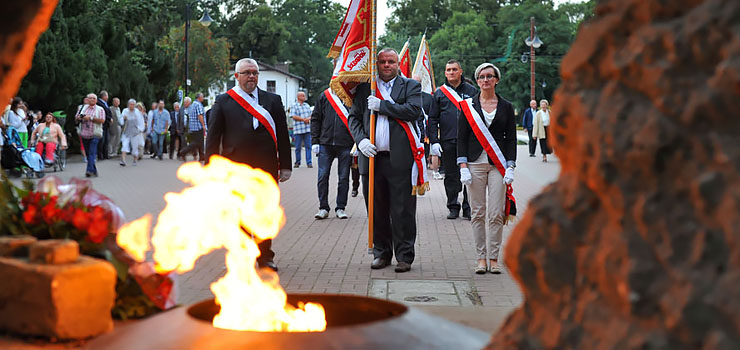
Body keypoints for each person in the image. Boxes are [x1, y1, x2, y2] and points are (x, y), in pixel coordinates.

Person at [206, 58, 292, 272]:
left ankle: (265, 256)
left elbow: (282, 133)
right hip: (236, 167)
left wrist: (286, 165)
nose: (251, 76)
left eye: (254, 73)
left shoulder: (273, 100)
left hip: (267, 165)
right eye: (246, 73)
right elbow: (213, 137)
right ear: (236, 76)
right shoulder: (223, 101)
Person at [348, 48, 423, 273]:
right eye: (382, 62)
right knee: (376, 209)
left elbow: (413, 111)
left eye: (391, 61)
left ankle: (404, 256)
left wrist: (382, 106)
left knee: (403, 210)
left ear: (398, 64)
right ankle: (381, 253)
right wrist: (360, 141)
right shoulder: (365, 89)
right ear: (376, 64)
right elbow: (354, 118)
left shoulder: (410, 86)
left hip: (400, 158)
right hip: (372, 158)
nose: (387, 65)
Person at [457, 63, 517, 274]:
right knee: (478, 213)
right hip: (474, 165)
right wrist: (462, 165)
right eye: (481, 76)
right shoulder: (468, 106)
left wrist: (510, 165)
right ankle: (480, 257)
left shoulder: (507, 106)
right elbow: (461, 138)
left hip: (497, 166)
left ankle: (494, 258)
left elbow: (511, 139)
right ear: (478, 79)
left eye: (490, 76)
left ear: (496, 80)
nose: (485, 80)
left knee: (496, 214)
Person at [428, 59, 478, 220]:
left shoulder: (472, 91)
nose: (451, 72)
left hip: (469, 141)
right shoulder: (440, 93)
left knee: (469, 174)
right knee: (451, 175)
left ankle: (468, 206)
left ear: (460, 71)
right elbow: (433, 119)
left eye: (454, 69)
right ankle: (453, 206)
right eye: (448, 70)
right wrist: (434, 141)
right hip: (448, 140)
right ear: (445, 73)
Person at [310, 88, 354, 220]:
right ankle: (323, 207)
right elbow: (316, 118)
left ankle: (341, 207)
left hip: (345, 143)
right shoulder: (324, 96)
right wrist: (315, 141)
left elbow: (356, 119)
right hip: (325, 143)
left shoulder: (350, 96)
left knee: (344, 178)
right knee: (322, 176)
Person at [76, 93, 106, 177]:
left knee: (92, 152)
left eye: (93, 98)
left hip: (95, 133)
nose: (91, 100)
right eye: (90, 98)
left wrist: (91, 118)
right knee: (88, 153)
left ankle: (88, 170)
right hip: (84, 133)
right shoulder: (82, 108)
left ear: (96, 100)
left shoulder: (100, 109)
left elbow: (102, 120)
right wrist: (81, 118)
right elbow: (77, 117)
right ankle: (94, 170)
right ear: (87, 100)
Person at [179, 94, 206, 162]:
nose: (203, 98)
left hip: (192, 127)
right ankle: (183, 151)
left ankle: (202, 156)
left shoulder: (192, 105)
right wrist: (203, 125)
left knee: (199, 142)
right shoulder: (198, 105)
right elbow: (200, 115)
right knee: (197, 142)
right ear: (199, 98)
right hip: (198, 127)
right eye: (202, 97)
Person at [120, 99, 145, 167]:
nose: (132, 106)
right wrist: (124, 119)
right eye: (131, 104)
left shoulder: (137, 112)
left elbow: (141, 122)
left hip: (135, 132)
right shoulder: (125, 111)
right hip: (126, 131)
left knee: (134, 148)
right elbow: (121, 119)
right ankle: (123, 160)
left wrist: (140, 130)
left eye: (133, 105)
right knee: (124, 145)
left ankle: (134, 160)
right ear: (128, 105)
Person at [290, 91, 312, 168]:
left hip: (307, 129)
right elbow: (293, 116)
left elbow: (312, 115)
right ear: (298, 97)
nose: (304, 97)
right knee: (298, 147)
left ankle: (309, 162)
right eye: (303, 96)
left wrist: (308, 119)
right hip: (298, 130)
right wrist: (304, 120)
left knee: (308, 146)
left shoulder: (307, 105)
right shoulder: (294, 106)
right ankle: (297, 162)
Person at [97, 90, 113, 160]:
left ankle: (105, 154)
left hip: (106, 124)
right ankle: (100, 155)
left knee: (106, 140)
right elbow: (103, 113)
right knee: (102, 140)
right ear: (104, 96)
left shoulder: (105, 103)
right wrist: (109, 119)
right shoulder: (99, 103)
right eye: (107, 95)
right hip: (103, 123)